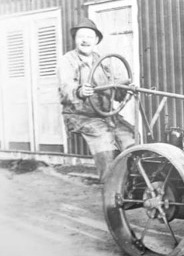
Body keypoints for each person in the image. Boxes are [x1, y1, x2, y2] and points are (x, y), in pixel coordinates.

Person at [57, 18, 135, 181]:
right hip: (81, 116)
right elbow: (65, 88)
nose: (85, 40)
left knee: (131, 139)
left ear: (96, 40)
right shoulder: (67, 61)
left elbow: (116, 91)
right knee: (105, 142)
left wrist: (125, 89)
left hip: (107, 116)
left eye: (89, 37)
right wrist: (79, 91)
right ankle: (110, 195)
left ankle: (132, 185)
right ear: (75, 40)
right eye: (81, 37)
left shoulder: (104, 62)